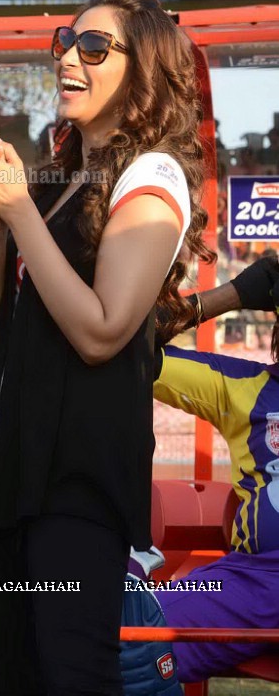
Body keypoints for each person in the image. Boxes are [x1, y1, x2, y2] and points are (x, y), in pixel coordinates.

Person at [0, 0, 212, 693]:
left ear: (145, 69)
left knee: (71, 677)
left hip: (74, 482)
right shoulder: (58, 175)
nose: (70, 56)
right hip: (1, 470)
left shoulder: (153, 175)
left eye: (95, 46)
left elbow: (101, 333)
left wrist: (19, 211)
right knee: (16, 678)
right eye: (66, 40)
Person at [140, 256, 279, 682]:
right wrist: (228, 296)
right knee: (127, 633)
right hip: (258, 583)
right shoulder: (245, 388)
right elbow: (126, 345)